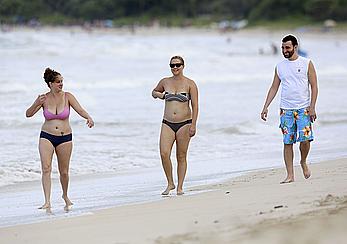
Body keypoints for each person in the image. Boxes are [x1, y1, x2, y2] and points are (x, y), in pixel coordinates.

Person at [26, 68, 94, 211]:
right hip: (46, 136)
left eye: (62, 81)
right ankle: (47, 201)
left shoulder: (68, 96)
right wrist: (35, 102)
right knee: (46, 168)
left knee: (64, 171)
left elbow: (80, 109)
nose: (61, 84)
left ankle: (65, 195)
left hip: (65, 138)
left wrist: (88, 117)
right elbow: (28, 114)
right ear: (50, 83)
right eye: (58, 82)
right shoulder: (43, 98)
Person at [260, 35, 318, 184]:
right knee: (288, 142)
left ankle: (303, 161)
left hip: (303, 108)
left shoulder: (307, 63)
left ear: (295, 47)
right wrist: (265, 106)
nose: (285, 50)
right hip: (286, 110)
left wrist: (312, 107)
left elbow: (314, 86)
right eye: (283, 48)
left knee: (305, 140)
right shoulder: (280, 66)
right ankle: (290, 175)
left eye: (287, 48)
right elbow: (274, 87)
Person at [152, 56, 199, 195]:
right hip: (167, 123)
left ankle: (180, 187)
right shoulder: (165, 81)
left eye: (178, 65)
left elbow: (195, 106)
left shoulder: (190, 84)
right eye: (172, 65)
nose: (175, 68)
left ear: (183, 66)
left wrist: (193, 125)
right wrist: (160, 95)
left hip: (185, 123)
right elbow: (153, 92)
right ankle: (170, 183)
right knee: (164, 153)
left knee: (181, 155)